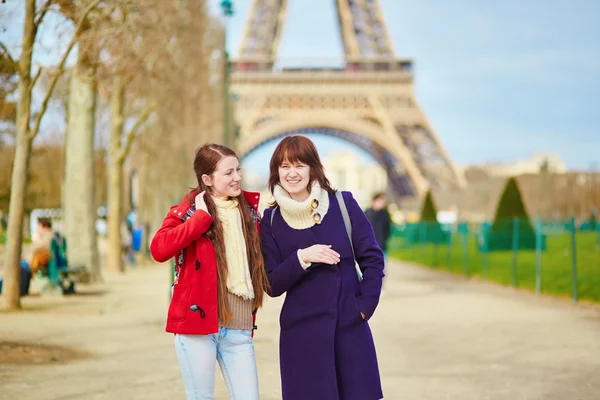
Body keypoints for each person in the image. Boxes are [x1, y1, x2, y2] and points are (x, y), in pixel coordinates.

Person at [260, 135, 385, 400]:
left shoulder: (343, 204)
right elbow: (270, 284)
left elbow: (372, 258)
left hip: (348, 327)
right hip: (301, 336)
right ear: (276, 172)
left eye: (299, 165)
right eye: (285, 167)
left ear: (313, 168)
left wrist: (364, 307)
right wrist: (302, 257)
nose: (292, 174)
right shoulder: (270, 220)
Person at [150, 143, 270, 400]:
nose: (237, 177)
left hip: (238, 328)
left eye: (238, 170)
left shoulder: (251, 214)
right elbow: (159, 249)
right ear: (207, 179)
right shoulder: (189, 212)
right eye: (228, 173)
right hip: (197, 328)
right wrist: (200, 220)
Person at [364, 192, 392, 260]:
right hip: (368, 248)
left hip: (381, 247)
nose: (382, 203)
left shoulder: (385, 214)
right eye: (380, 200)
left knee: (381, 268)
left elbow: (388, 229)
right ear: (374, 201)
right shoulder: (366, 213)